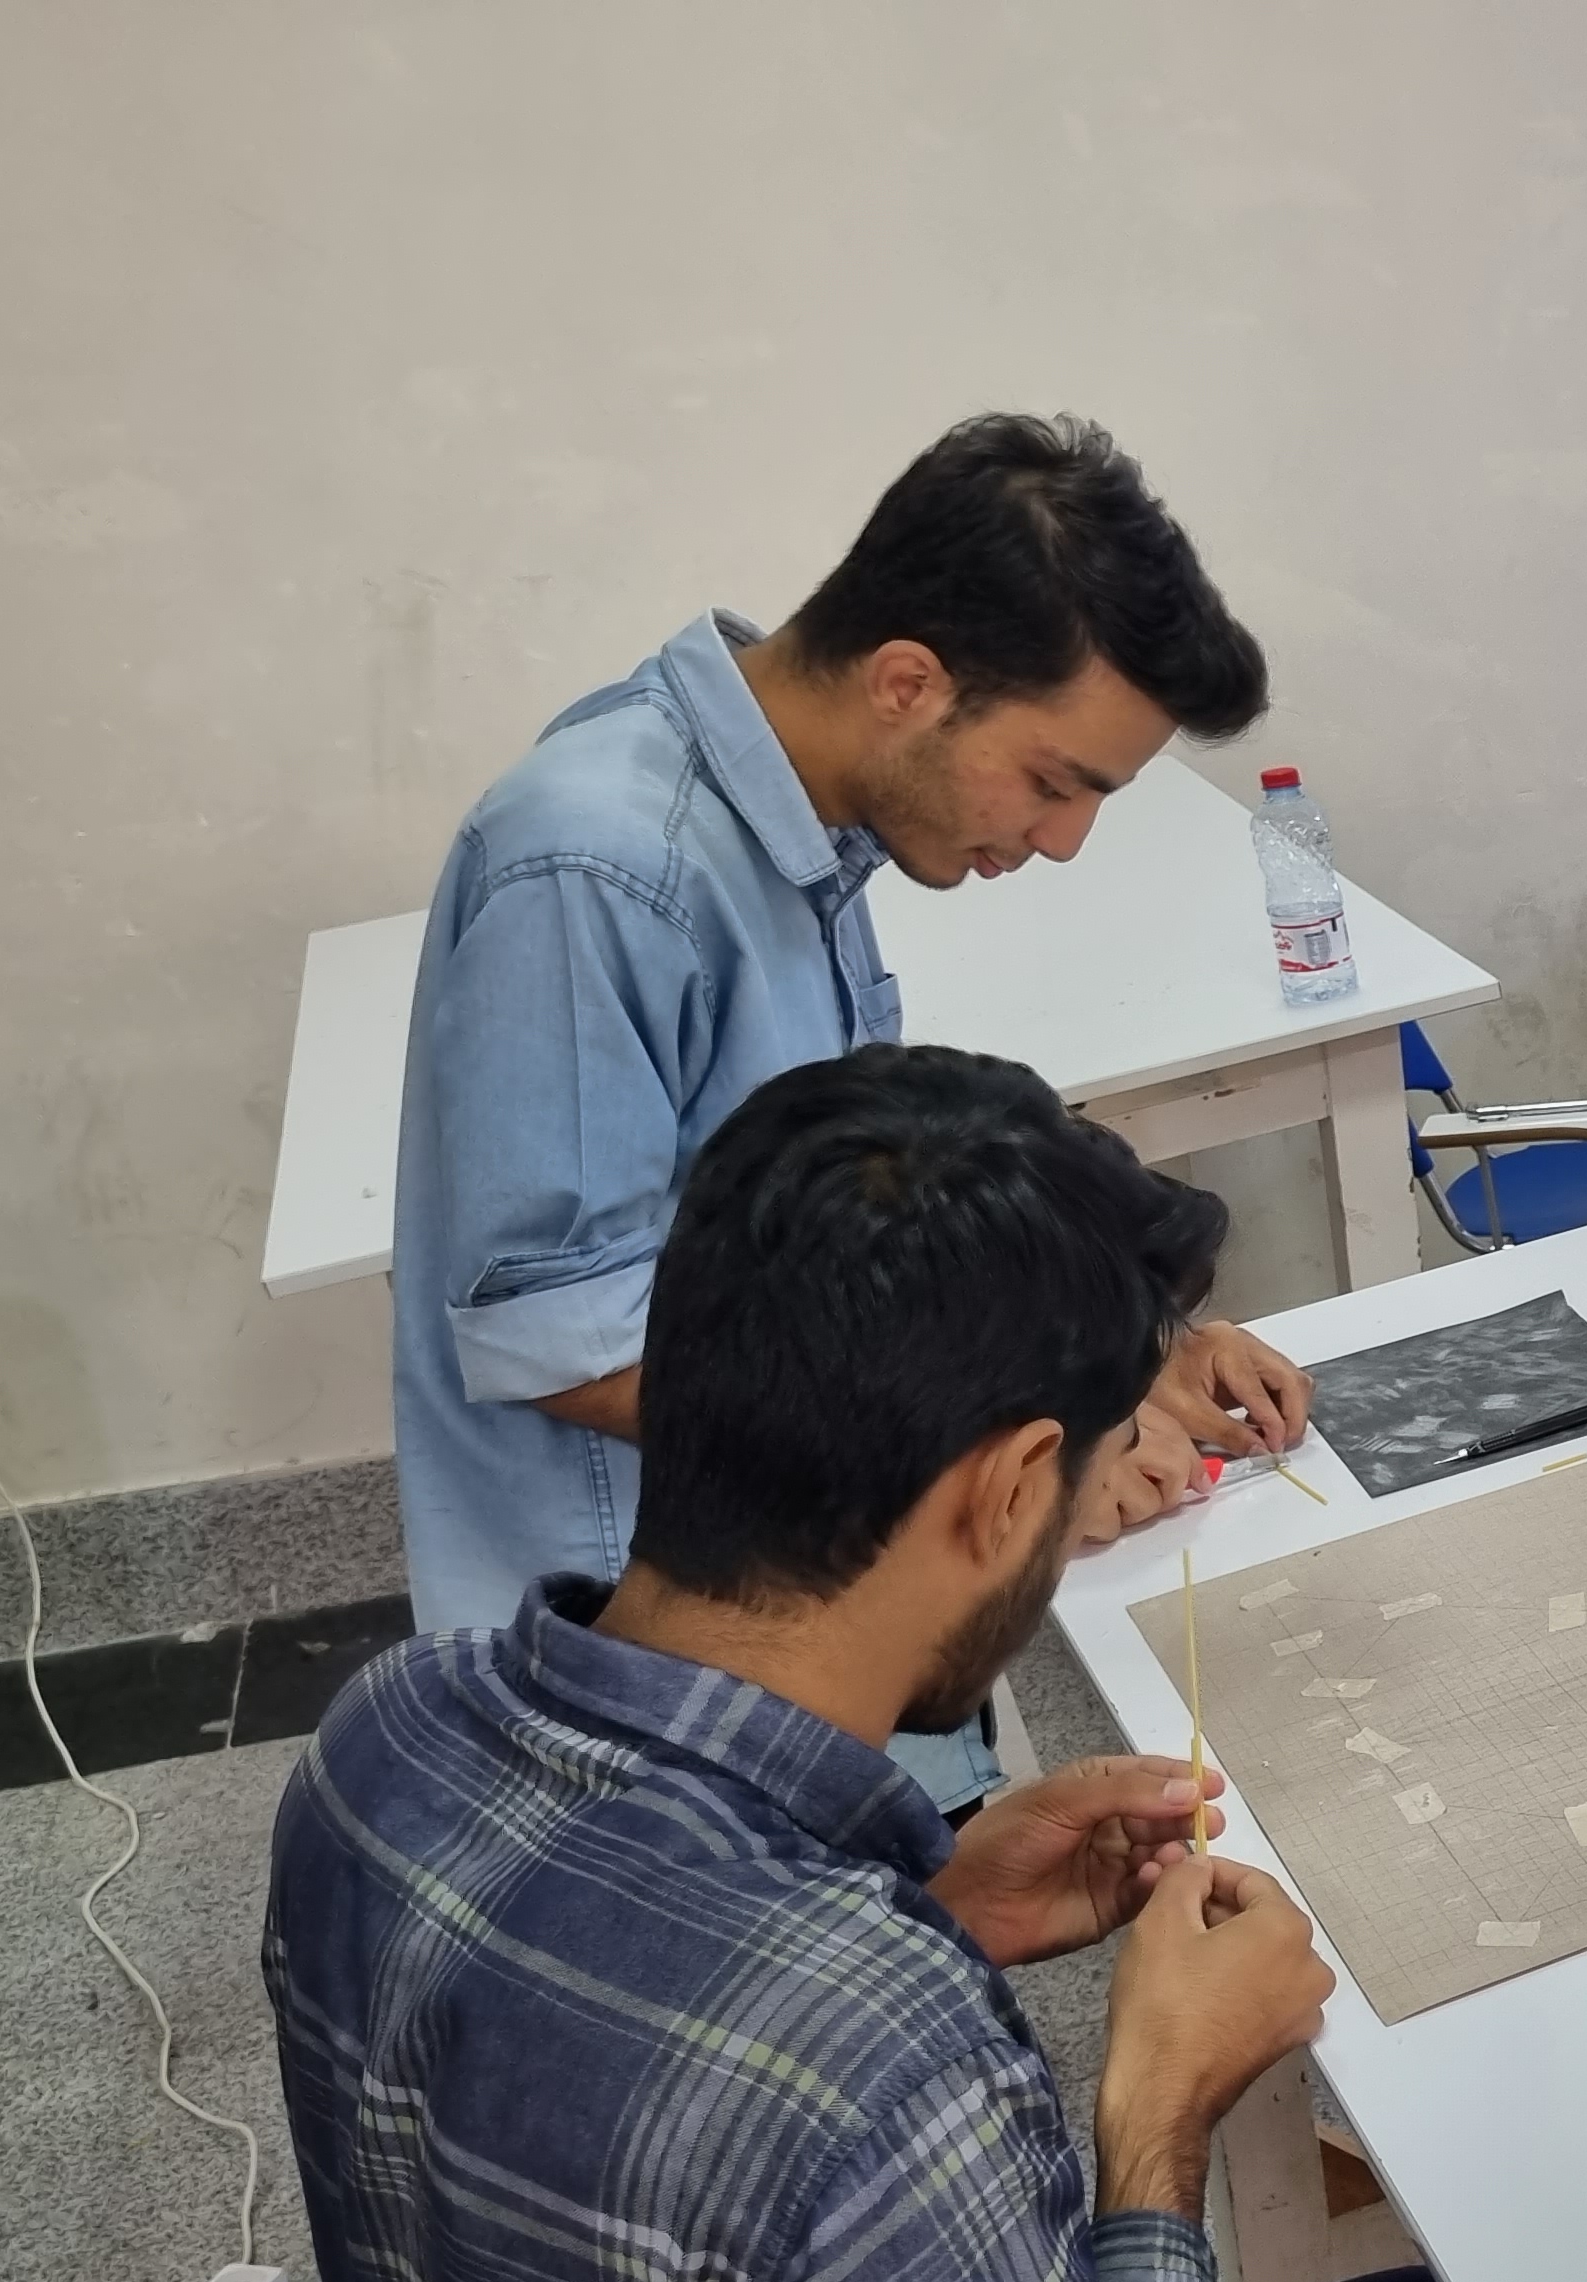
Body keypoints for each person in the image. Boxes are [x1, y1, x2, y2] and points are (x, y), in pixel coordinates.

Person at [270, 1046, 1501, 2282]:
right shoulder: (865, 2056)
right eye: (1093, 1468)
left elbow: (644, 2117)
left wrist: (931, 1896)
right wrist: (1158, 2126)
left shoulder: (377, 1752)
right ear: (1009, 1488)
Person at [389, 413, 1314, 1809]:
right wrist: (1031, 1455)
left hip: (812, 1631)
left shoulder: (801, 832)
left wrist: (1112, 1363)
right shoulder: (602, 868)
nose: (1065, 840)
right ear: (907, 682)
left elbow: (849, 1256)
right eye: (1054, 782)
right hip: (655, 1708)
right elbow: (568, 1346)